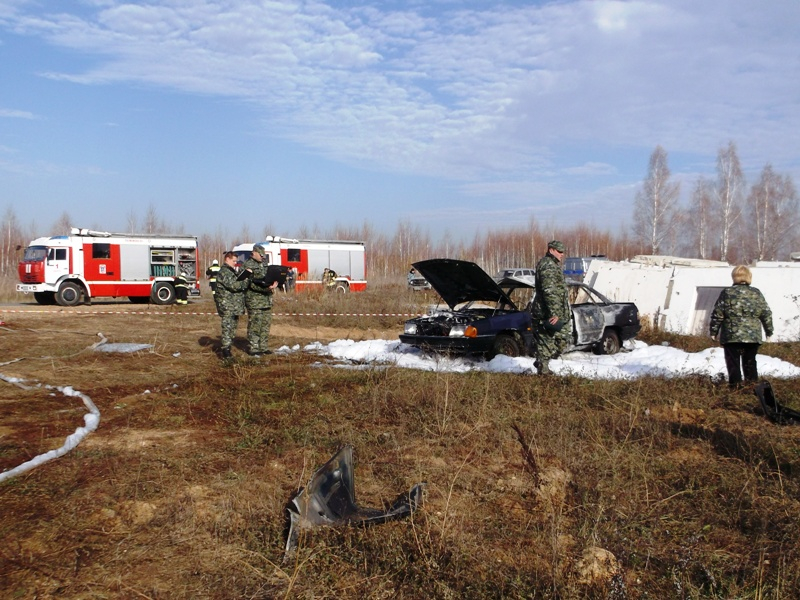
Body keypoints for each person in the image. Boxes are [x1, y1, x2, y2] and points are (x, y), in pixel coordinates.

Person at [709, 265, 774, 389]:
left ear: (734, 277)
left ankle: (735, 389)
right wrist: (769, 331)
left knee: (733, 363)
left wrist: (714, 331)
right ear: (749, 277)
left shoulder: (727, 292)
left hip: (731, 335)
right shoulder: (756, 293)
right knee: (750, 362)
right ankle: (753, 389)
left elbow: (718, 314)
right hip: (752, 336)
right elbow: (766, 313)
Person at [530, 240, 572, 375]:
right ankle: (543, 370)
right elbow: (550, 291)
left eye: (563, 252)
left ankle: (542, 361)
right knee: (546, 341)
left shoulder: (553, 265)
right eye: (559, 251)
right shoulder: (548, 265)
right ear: (551, 250)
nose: (562, 254)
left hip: (556, 312)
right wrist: (554, 313)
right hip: (546, 313)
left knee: (563, 339)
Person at [243, 244, 278, 357]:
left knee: (265, 324)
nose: (263, 257)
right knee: (255, 324)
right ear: (254, 253)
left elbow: (267, 278)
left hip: (266, 299)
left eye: (264, 255)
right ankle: (253, 347)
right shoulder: (247, 265)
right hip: (254, 300)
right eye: (261, 255)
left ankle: (263, 347)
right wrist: (266, 288)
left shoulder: (264, 264)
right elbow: (249, 283)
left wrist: (273, 283)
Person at [215, 252, 249, 359]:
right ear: (227, 259)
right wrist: (246, 281)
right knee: (227, 327)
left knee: (233, 327)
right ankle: (225, 350)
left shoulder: (231, 271)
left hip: (233, 305)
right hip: (227, 305)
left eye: (236, 261)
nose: (235, 263)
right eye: (233, 261)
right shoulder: (224, 272)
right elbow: (234, 285)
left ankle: (228, 347)